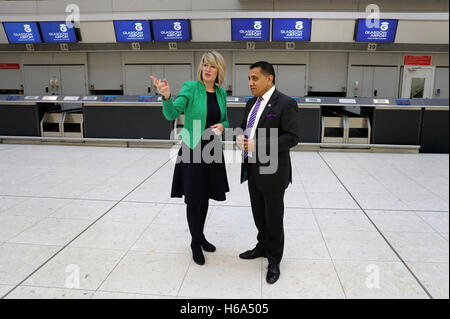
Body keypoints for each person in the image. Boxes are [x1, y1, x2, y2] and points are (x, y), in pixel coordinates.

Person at [151, 51, 230, 266]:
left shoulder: (221, 93)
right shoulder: (190, 87)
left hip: (212, 149)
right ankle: (195, 243)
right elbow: (172, 113)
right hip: (193, 148)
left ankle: (201, 236)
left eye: (212, 66)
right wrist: (166, 96)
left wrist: (223, 126)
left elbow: (225, 120)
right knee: (194, 198)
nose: (207, 69)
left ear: (219, 70)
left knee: (204, 197)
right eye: (205, 64)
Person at [236, 61, 300, 284]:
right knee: (258, 212)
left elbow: (292, 137)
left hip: (273, 171)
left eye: (255, 78)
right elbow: (247, 127)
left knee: (273, 216)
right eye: (249, 78)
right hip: (253, 168)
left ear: (269, 79)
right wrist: (241, 138)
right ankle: (262, 246)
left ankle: (274, 259)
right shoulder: (251, 103)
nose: (250, 83)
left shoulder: (286, 103)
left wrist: (259, 145)